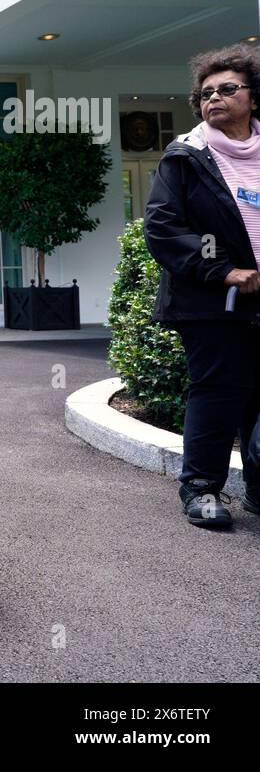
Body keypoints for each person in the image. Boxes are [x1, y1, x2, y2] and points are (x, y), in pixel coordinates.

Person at [144, 43, 260, 528]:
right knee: (217, 390)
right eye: (206, 93)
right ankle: (201, 489)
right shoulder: (185, 157)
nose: (214, 98)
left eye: (227, 88)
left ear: (253, 97)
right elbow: (164, 226)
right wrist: (224, 270)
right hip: (213, 300)